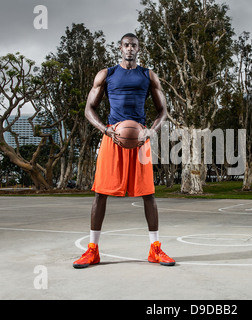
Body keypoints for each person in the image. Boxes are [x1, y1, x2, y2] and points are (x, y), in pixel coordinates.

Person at [73, 33, 175, 268]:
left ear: (139, 49)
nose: (130, 48)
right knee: (100, 193)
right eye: (126, 45)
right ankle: (93, 250)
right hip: (113, 136)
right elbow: (90, 109)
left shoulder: (148, 75)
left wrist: (151, 131)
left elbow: (163, 111)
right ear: (120, 48)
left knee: (148, 194)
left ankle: (155, 249)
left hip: (140, 139)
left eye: (134, 45)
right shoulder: (106, 74)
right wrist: (105, 130)